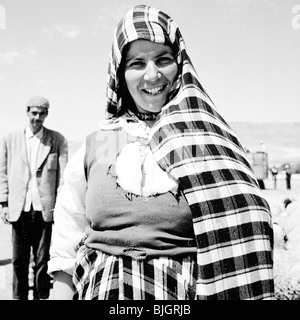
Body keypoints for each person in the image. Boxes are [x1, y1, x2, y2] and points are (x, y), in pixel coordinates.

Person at [48, 5, 274, 300]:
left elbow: (246, 228)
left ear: (179, 65)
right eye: (137, 63)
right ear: (119, 73)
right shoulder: (99, 143)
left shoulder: (208, 142)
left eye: (163, 60)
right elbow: (68, 233)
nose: (152, 75)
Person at [0, 95, 68, 300]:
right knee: (19, 260)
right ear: (27, 112)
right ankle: (18, 297)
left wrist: (60, 207)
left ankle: (41, 297)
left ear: (47, 114)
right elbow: (2, 172)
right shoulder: (9, 139)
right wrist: (3, 202)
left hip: (44, 210)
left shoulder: (57, 140)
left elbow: (63, 177)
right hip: (18, 208)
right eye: (34, 113)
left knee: (42, 260)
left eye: (42, 113)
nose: (37, 118)